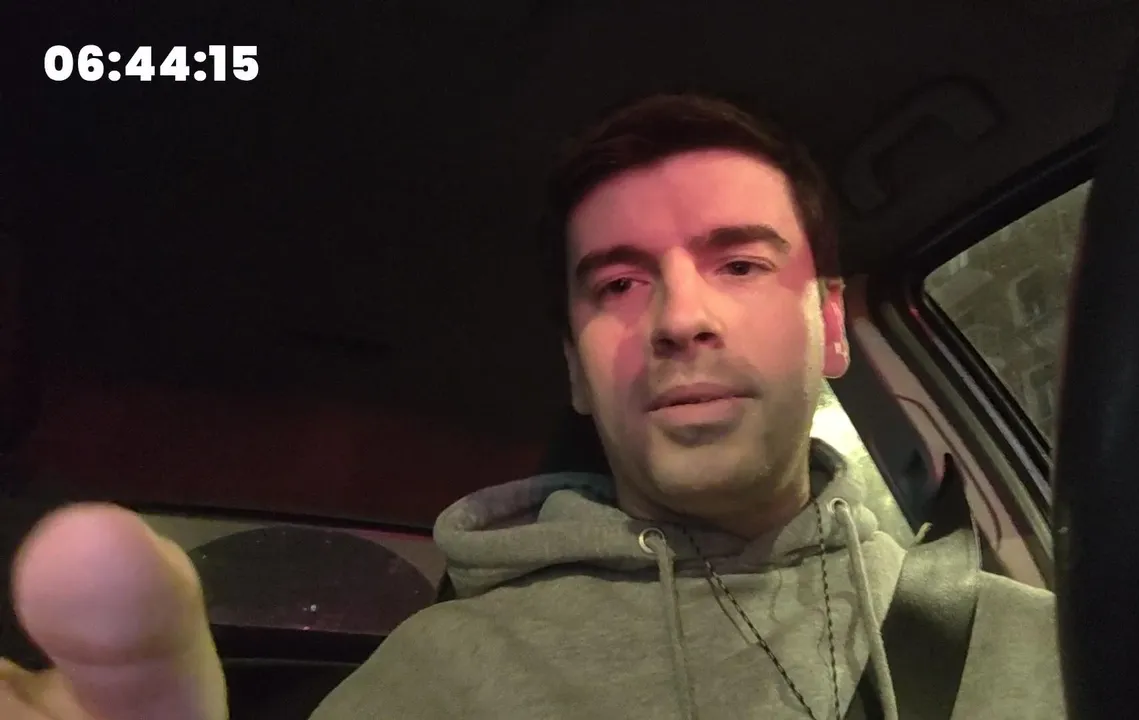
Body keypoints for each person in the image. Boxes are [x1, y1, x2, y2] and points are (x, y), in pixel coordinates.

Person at [0, 93, 1064, 719]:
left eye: (739, 263)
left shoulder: (1045, 645)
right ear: (575, 371)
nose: (678, 318)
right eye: (619, 283)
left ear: (829, 325)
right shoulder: (434, 685)